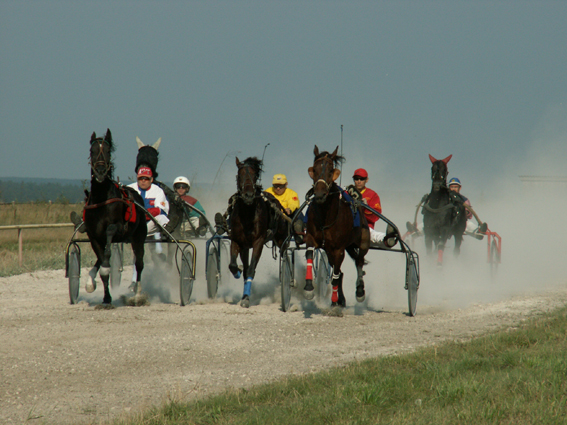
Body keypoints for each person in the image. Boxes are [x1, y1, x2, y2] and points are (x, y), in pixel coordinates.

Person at [406, 177, 487, 239]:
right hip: (443, 221)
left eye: (456, 187)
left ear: (460, 188)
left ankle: (478, 232)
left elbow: (469, 213)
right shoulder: (444, 199)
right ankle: (416, 231)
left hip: (458, 222)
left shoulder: (464, 199)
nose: (454, 189)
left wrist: (465, 213)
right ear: (449, 188)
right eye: (452, 187)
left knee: (466, 224)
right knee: (428, 223)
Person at [127, 166, 169, 284]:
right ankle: (134, 280)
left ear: (151, 179)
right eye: (141, 179)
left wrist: (142, 214)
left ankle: (166, 235)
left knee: (161, 218)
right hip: (133, 227)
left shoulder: (158, 191)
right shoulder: (130, 189)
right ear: (137, 179)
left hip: (149, 225)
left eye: (146, 178)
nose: (143, 181)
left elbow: (159, 210)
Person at [351, 168, 396, 248]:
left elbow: (376, 216)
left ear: (366, 180)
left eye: (362, 179)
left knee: (373, 236)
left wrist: (365, 207)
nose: (359, 181)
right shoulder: (346, 192)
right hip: (348, 226)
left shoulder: (372, 195)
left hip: (364, 227)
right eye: (356, 179)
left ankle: (388, 239)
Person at [264, 174, 304, 243]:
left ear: (286, 185)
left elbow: (294, 203)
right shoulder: (267, 192)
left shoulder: (292, 193)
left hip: (286, 216)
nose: (278, 188)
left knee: (298, 212)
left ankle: (298, 233)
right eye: (275, 186)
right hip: (272, 217)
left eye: (280, 186)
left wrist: (289, 209)